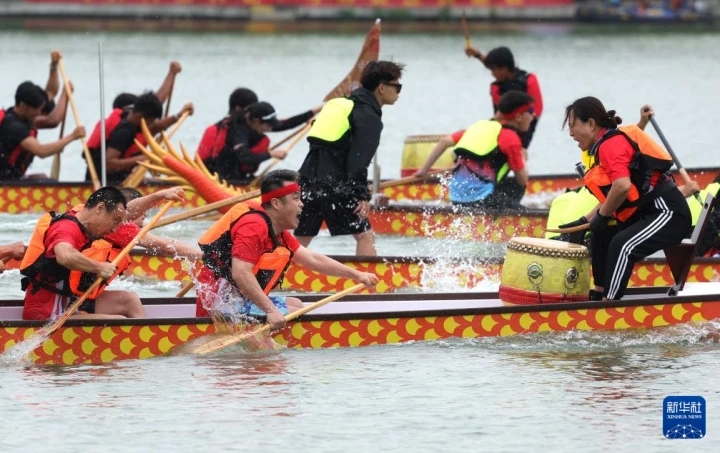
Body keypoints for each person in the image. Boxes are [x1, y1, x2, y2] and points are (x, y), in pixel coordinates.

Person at [195, 169, 379, 331]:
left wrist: (357, 275)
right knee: (291, 311)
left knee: (296, 304)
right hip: (220, 304)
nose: (302, 204)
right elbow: (240, 272)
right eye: (296, 198)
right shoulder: (253, 227)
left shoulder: (278, 232)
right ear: (276, 204)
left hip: (239, 298)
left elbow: (312, 259)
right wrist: (270, 311)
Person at [559, 96, 691, 301]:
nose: (570, 133)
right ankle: (599, 294)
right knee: (601, 235)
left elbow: (622, 186)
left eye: (571, 125)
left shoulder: (609, 145)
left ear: (591, 124)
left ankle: (609, 306)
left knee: (623, 246)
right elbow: (614, 193)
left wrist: (602, 216)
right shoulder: (607, 142)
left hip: (668, 214)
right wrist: (587, 220)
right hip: (649, 213)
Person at [294, 60, 405, 256]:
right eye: (397, 87)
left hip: (307, 181)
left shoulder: (339, 105)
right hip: (336, 185)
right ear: (381, 87)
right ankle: (366, 275)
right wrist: (361, 195)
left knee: (301, 238)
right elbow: (358, 160)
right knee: (365, 236)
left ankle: (277, 269)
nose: (399, 93)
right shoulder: (368, 116)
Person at [548, 103, 700, 245]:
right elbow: (632, 185)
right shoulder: (605, 149)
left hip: (602, 211)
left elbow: (627, 146)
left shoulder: (603, 147)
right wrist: (684, 192)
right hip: (609, 213)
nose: (570, 133)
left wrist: (642, 122)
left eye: (571, 126)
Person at [20, 187, 141, 320]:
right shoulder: (65, 228)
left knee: (130, 300)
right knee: (119, 321)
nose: (115, 229)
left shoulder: (85, 220)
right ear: (100, 208)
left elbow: (129, 211)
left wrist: (157, 196)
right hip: (47, 313)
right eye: (115, 221)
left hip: (70, 303)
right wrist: (99, 267)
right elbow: (65, 256)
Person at [413, 91, 534, 210]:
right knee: (522, 201)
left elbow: (444, 141)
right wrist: (522, 158)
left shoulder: (480, 128)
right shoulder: (511, 139)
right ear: (518, 117)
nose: (533, 115)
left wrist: (423, 171)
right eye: (530, 111)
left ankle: (501, 208)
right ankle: (500, 213)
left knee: (510, 184)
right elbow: (522, 180)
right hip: (481, 198)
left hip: (456, 198)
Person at [196, 87, 323, 176]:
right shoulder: (238, 130)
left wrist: (316, 110)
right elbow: (245, 157)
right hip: (225, 179)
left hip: (238, 175)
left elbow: (285, 124)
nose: (270, 128)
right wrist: (271, 154)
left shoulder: (253, 123)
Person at [85, 92, 193, 184]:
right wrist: (143, 158)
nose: (152, 125)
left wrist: (179, 115)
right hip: (104, 183)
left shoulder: (131, 116)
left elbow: (156, 127)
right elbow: (108, 164)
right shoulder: (123, 132)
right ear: (140, 116)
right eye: (151, 122)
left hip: (121, 179)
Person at [86, 61, 183, 151]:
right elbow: (110, 161)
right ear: (128, 109)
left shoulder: (135, 122)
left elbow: (156, 102)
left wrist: (171, 73)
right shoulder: (124, 131)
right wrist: (146, 157)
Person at [0, 81, 85, 181]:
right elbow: (41, 151)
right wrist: (72, 136)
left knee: (43, 177)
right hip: (5, 183)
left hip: (11, 178)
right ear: (23, 106)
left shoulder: (17, 115)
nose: (39, 113)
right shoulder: (14, 127)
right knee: (48, 182)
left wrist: (54, 71)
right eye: (37, 109)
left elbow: (51, 93)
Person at [463, 46, 542, 151]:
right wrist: (477, 55)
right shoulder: (498, 86)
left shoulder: (529, 80)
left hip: (522, 132)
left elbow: (536, 111)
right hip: (500, 128)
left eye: (493, 69)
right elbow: (499, 117)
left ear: (504, 68)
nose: (491, 73)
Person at [103, 187, 202, 260]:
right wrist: (203, 256)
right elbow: (169, 248)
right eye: (142, 211)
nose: (144, 215)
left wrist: (160, 195)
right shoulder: (124, 228)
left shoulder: (107, 220)